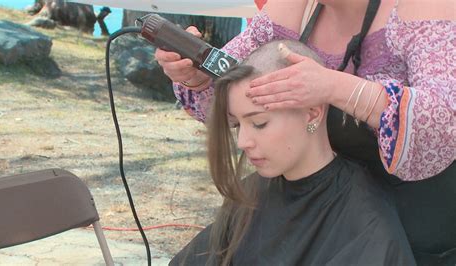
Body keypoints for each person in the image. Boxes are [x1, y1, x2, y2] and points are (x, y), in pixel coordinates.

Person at [156, 0, 455, 263]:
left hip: (408, 218)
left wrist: (333, 86)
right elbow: (239, 88)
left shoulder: (424, 6)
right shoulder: (292, 9)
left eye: (257, 126)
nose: (244, 141)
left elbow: (444, 120)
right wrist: (198, 77)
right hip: (315, 202)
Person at [169, 39, 416, 266]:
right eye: (238, 124)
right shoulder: (250, 195)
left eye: (259, 123)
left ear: (312, 113)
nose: (243, 142)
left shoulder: (365, 223)